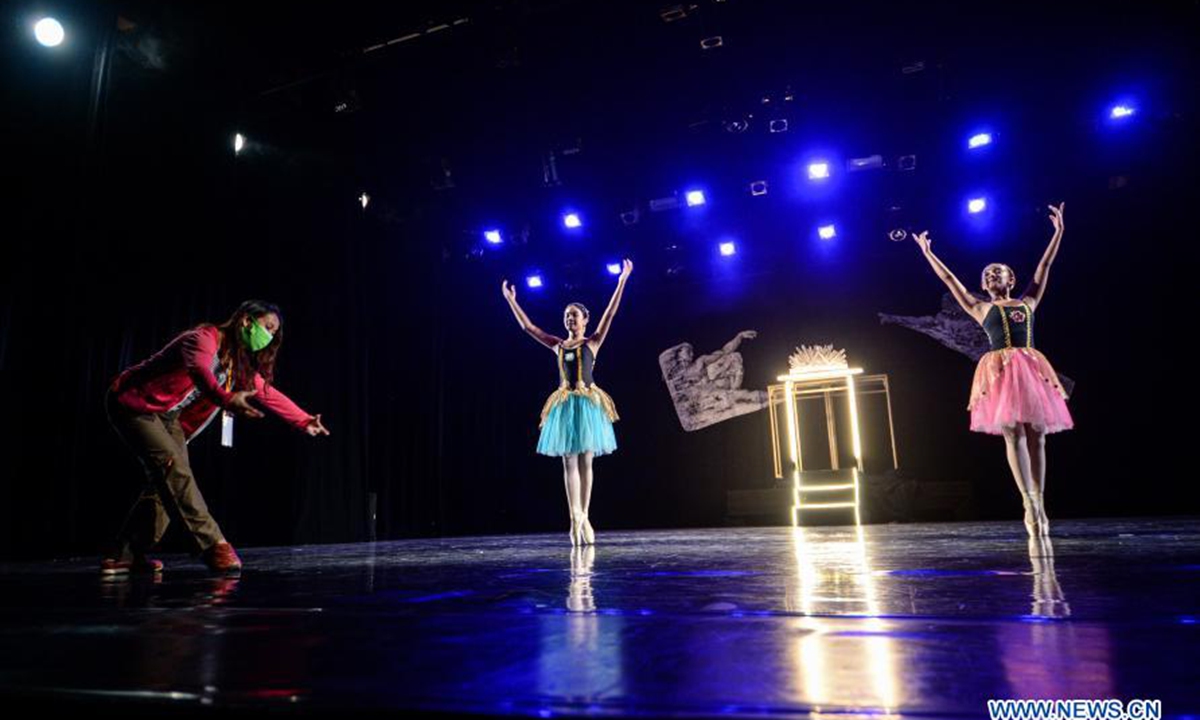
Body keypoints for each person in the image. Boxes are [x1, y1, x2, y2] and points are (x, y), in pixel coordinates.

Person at [103, 300, 329, 575]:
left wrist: (303, 420)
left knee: (166, 483)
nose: (268, 337)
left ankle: (124, 554)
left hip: (166, 416)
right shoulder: (202, 338)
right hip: (133, 404)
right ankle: (213, 545)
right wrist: (226, 399)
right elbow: (199, 370)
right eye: (267, 327)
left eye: (273, 333)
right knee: (175, 471)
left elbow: (267, 393)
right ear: (246, 321)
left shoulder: (234, 362)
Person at [913, 203, 1072, 537]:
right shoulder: (979, 307)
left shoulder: (1028, 302)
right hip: (999, 370)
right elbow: (949, 278)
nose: (990, 276)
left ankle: (1040, 501)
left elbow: (1045, 266)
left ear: (1010, 278)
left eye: (996, 271)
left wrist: (1058, 232)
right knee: (1012, 432)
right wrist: (928, 252)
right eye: (986, 274)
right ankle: (1028, 501)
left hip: (1030, 367)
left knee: (1038, 434)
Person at [502, 260, 632, 546]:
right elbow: (528, 327)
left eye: (574, 316)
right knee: (568, 461)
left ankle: (584, 515)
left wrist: (622, 281)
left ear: (584, 320)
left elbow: (611, 313)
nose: (570, 320)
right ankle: (573, 517)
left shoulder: (593, 342)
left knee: (587, 460)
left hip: (587, 404)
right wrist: (511, 300)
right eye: (566, 316)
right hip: (564, 403)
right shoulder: (558, 345)